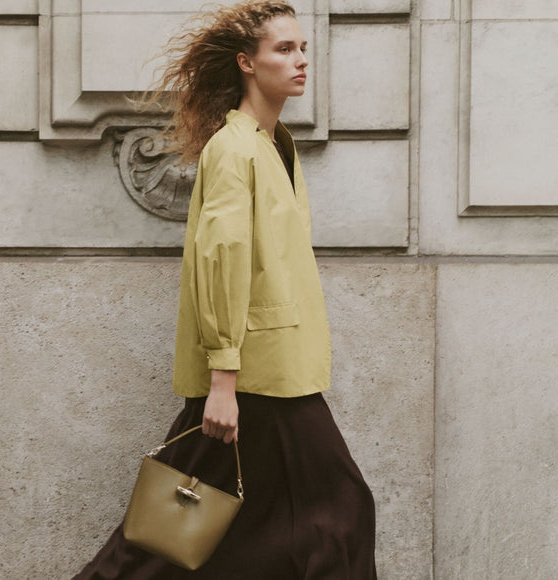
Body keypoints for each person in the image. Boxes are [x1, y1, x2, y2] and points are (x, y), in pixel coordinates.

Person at [73, 1, 377, 578]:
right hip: (254, 379)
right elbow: (221, 261)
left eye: (303, 48)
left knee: (192, 538)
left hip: (272, 371)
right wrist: (222, 379)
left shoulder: (273, 142)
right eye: (284, 49)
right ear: (246, 63)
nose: (301, 60)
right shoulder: (235, 148)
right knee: (335, 512)